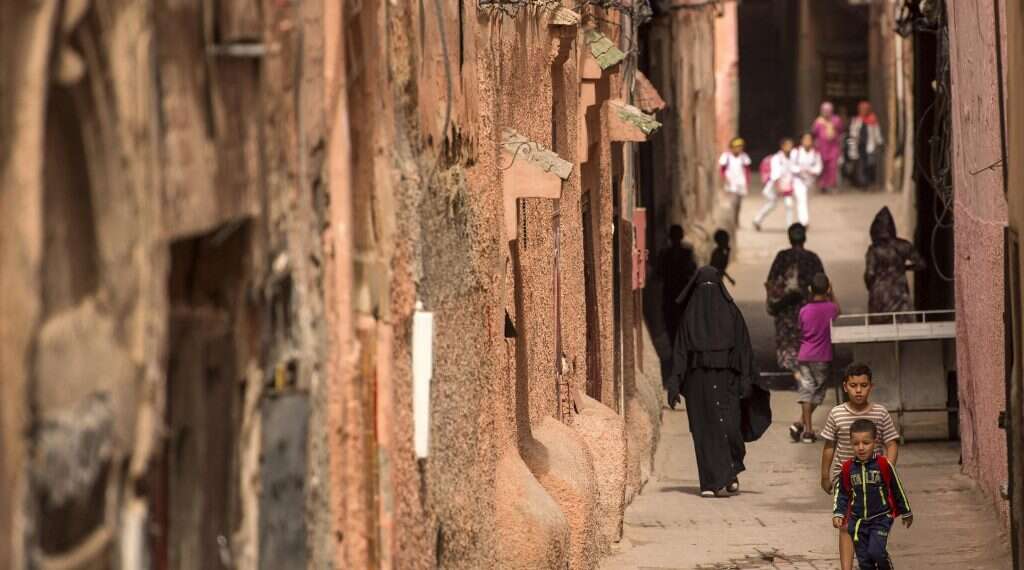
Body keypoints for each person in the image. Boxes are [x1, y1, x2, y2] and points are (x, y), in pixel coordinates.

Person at [667, 267, 770, 497]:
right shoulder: (689, 317)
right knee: (704, 432)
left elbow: (744, 349)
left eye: (711, 289)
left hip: (728, 381)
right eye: (704, 289)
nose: (708, 295)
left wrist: (746, 379)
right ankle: (709, 482)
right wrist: (674, 382)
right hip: (698, 384)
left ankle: (730, 471)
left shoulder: (732, 314)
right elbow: (681, 352)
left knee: (730, 428)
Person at [820, 362, 901, 570]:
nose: (858, 390)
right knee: (846, 524)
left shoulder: (880, 413)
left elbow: (891, 442)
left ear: (870, 387)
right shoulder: (836, 414)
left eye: (863, 385)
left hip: (874, 480)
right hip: (845, 478)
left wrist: (887, 468)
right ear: (845, 386)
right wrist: (825, 475)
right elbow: (829, 446)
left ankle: (878, 556)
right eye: (854, 385)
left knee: (873, 522)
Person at [832, 419, 913, 570]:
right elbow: (842, 492)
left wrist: (906, 511)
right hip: (857, 522)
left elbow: (897, 488)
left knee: (876, 552)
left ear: (875, 442)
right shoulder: (848, 468)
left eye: (866, 443)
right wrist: (838, 513)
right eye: (856, 443)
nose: (861, 448)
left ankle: (885, 565)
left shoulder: (883, 464)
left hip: (881, 518)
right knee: (864, 561)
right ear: (851, 443)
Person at [764, 223, 824, 379]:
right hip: (808, 308)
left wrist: (771, 302)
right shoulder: (813, 258)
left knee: (788, 341)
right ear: (805, 238)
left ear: (789, 238)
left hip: (786, 308)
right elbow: (823, 283)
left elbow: (770, 281)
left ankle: (797, 372)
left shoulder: (782, 257)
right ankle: (806, 372)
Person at [790, 273, 840, 444]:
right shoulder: (831, 309)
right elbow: (838, 310)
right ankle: (808, 431)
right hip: (822, 358)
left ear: (810, 290)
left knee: (807, 392)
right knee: (817, 394)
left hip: (804, 356)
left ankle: (801, 425)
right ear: (827, 289)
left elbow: (799, 331)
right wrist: (832, 294)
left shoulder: (804, 311)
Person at [865, 206, 926, 319]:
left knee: (879, 329)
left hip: (879, 294)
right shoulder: (904, 245)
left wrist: (871, 287)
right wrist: (903, 268)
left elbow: (870, 274)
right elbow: (921, 264)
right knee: (902, 327)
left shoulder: (874, 250)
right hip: (900, 291)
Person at [753, 138, 807, 230]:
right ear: (782, 147)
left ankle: (789, 226)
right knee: (771, 205)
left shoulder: (792, 157)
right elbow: (775, 175)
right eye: (787, 145)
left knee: (789, 204)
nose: (789, 148)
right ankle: (757, 220)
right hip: (775, 186)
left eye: (791, 145)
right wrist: (779, 187)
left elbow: (795, 169)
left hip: (786, 185)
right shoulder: (776, 159)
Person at [658, 224, 698, 348]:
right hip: (671, 293)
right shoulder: (666, 253)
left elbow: (692, 270)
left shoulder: (686, 252)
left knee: (681, 323)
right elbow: (660, 272)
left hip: (681, 292)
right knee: (671, 323)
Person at [848, 101, 884, 189]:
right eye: (862, 109)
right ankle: (864, 184)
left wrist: (880, 142)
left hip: (870, 146)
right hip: (859, 147)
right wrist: (851, 147)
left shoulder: (873, 119)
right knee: (861, 165)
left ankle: (871, 182)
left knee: (871, 164)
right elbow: (852, 134)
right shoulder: (856, 120)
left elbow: (877, 132)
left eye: (865, 109)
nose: (864, 111)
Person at [719, 137, 752, 225]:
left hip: (741, 182)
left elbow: (747, 170)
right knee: (733, 202)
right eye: (737, 147)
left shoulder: (744, 157)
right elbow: (722, 169)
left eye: (740, 147)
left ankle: (736, 219)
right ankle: (732, 221)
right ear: (732, 147)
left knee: (739, 203)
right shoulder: (726, 156)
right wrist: (724, 179)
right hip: (731, 182)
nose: (739, 149)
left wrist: (747, 182)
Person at [812, 101, 844, 193]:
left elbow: (841, 130)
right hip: (821, 148)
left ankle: (832, 185)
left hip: (833, 148)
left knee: (832, 167)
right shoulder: (818, 121)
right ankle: (823, 185)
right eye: (824, 110)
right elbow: (814, 133)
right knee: (822, 166)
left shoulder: (836, 120)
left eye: (828, 110)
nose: (826, 112)